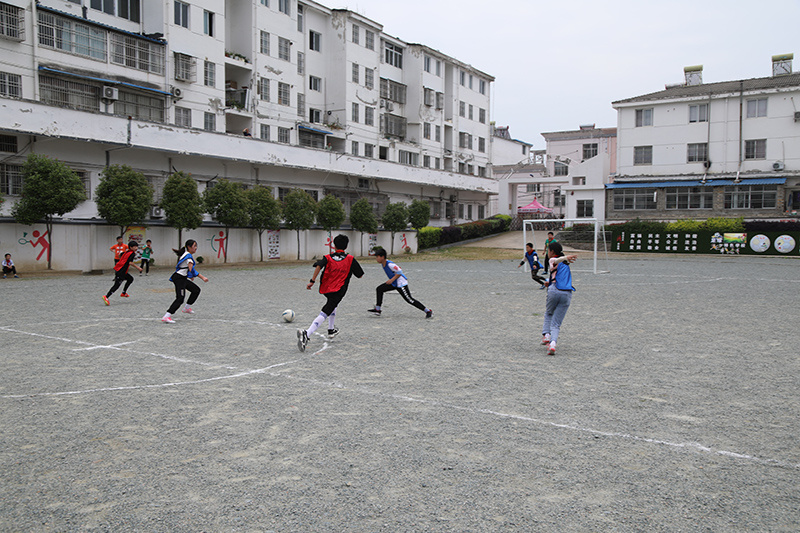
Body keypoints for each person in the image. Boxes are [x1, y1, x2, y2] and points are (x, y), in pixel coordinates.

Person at [297, 234, 364, 352]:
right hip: (339, 290)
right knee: (326, 310)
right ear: (346, 245)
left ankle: (331, 329)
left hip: (326, 288)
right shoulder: (350, 259)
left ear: (334, 245)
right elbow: (360, 275)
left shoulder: (327, 257)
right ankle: (306, 334)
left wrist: (312, 281)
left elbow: (318, 266)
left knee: (332, 305)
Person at [368, 248, 432, 318]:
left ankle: (428, 311)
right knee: (379, 289)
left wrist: (391, 280)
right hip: (394, 283)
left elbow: (399, 272)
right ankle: (378, 309)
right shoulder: (383, 264)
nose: (376, 259)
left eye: (377, 257)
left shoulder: (389, 264)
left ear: (382, 257)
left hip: (400, 284)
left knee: (409, 300)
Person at [541, 242, 577, 356]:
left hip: (554, 291)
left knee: (549, 313)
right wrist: (549, 281)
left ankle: (546, 335)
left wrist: (565, 257)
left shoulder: (552, 260)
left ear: (552, 252)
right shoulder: (566, 265)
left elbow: (555, 261)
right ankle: (553, 344)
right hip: (566, 293)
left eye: (548, 250)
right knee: (556, 324)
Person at [161, 239, 209, 323]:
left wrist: (190, 276)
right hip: (179, 278)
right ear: (189, 247)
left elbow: (187, 269)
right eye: (194, 246)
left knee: (196, 290)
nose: (196, 248)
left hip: (182, 277)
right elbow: (192, 269)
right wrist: (202, 277)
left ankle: (186, 308)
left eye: (196, 246)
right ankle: (167, 315)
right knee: (180, 298)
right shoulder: (188, 257)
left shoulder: (186, 254)